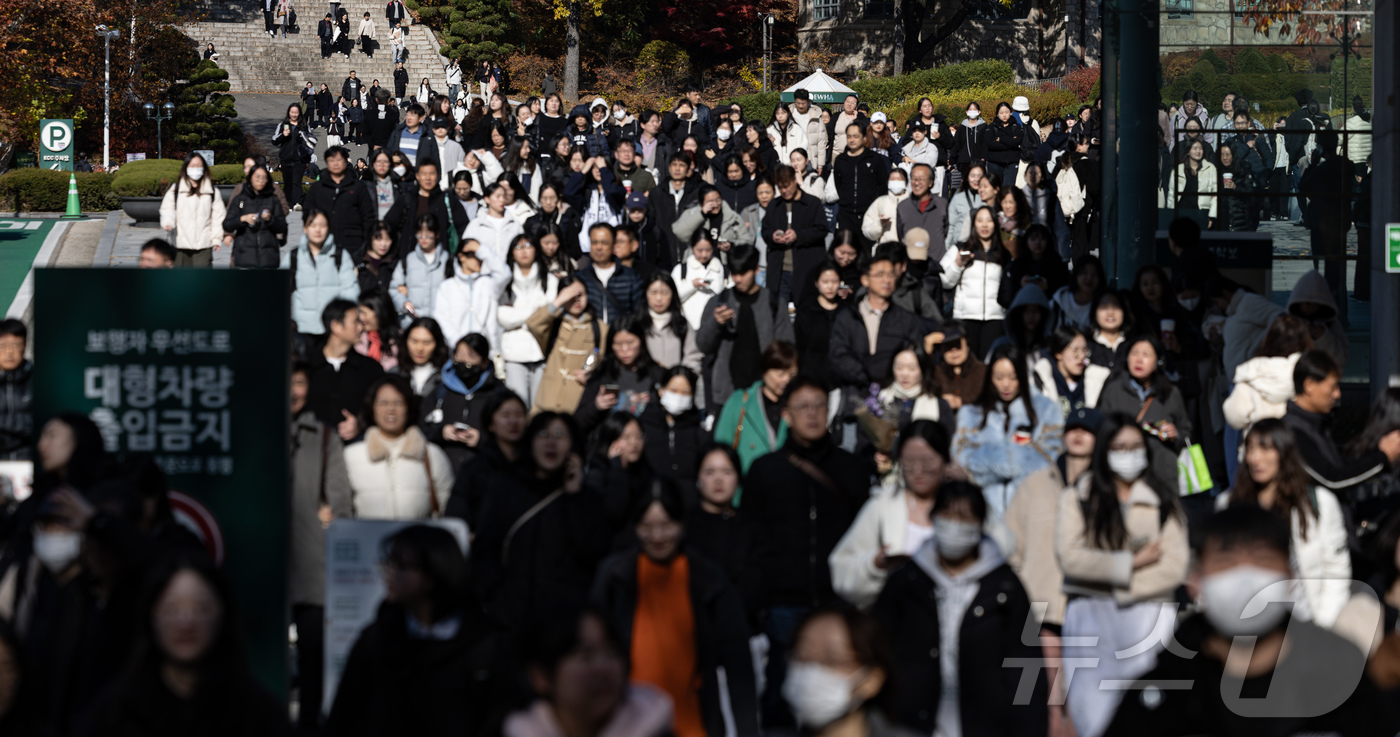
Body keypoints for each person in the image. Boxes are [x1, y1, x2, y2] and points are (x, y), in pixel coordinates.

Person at [1104, 505, 1393, 736]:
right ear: (1195, 581)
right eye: (1227, 563)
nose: (1245, 579)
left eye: (1262, 560)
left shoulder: (1339, 672)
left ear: (1290, 578)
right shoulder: (1165, 689)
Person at [744, 375, 872, 727]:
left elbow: (864, 533)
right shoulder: (764, 471)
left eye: (819, 406)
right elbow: (751, 537)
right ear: (786, 415)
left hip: (837, 601)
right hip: (782, 602)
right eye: (802, 407)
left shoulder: (851, 469)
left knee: (839, 701)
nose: (812, 414)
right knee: (781, 700)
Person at [872, 479, 1047, 736]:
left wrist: (1029, 725)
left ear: (980, 525)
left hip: (986, 722)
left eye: (965, 517)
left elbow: (1028, 663)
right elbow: (878, 644)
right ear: (933, 517)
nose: (955, 525)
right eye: (947, 515)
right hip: (912, 719)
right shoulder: (907, 580)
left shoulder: (1006, 587)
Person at [590, 479, 759, 737]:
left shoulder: (708, 580)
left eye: (667, 525)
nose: (657, 537)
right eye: (647, 527)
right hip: (628, 725)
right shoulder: (614, 578)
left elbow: (738, 663)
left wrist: (748, 730)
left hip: (693, 724)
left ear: (681, 523)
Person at [1057, 412, 1189, 737]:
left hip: (1151, 614)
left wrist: (1122, 585)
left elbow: (1174, 564)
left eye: (1135, 446)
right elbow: (1071, 558)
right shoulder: (1079, 497)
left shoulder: (1161, 500)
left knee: (1151, 713)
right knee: (1093, 715)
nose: (1128, 455)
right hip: (1091, 615)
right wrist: (1131, 563)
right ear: (1104, 450)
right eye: (1119, 447)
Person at [326, 525, 510, 737]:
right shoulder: (377, 639)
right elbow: (344, 718)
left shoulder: (486, 644)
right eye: (389, 562)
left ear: (433, 573)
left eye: (401, 565)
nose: (389, 572)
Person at [80, 556, 291, 737]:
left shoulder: (258, 715)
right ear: (151, 616)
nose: (186, 622)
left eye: (201, 608)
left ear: (223, 615)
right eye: (172, 609)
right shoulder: (115, 714)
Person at [1219, 417, 1351, 628]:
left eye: (1265, 449)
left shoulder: (1319, 503)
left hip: (1303, 624)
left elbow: (1336, 571)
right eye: (1250, 449)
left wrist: (1323, 625)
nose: (1255, 458)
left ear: (1285, 453)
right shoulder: (1229, 504)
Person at [288, 361, 351, 731]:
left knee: (313, 666)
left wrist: (335, 519)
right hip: (266, 572)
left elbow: (341, 500)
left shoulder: (325, 436)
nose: (292, 391)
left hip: (313, 572)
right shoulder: (255, 432)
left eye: (297, 382)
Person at [830, 421, 951, 609]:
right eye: (909, 462)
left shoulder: (961, 504)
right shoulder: (882, 505)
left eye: (928, 461)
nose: (918, 470)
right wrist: (874, 564)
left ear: (945, 459)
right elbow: (842, 571)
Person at [504, 606, 674, 737]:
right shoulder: (523, 730)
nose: (603, 668)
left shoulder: (655, 726)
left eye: (611, 653)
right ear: (540, 677)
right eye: (585, 656)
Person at [952, 343, 1063, 523]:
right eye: (999, 377)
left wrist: (988, 464)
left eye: (1013, 377)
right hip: (984, 513)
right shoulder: (972, 414)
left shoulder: (1046, 411)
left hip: (1030, 511)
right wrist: (1015, 458)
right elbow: (962, 458)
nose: (1006, 385)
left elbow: (1050, 457)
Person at [1284, 350, 1400, 495]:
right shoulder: (1291, 432)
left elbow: (1341, 470)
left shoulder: (1317, 427)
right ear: (1309, 385)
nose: (1337, 394)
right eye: (1333, 387)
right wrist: (1382, 457)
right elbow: (1332, 480)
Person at [696, 245, 794, 410]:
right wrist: (716, 322)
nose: (738, 279)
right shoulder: (719, 302)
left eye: (743, 273)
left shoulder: (774, 304)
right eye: (734, 273)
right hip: (727, 395)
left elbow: (787, 347)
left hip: (766, 394)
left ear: (756, 269)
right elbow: (703, 345)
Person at [343, 375, 454, 519]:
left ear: (409, 408)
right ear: (372, 408)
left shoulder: (431, 454)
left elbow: (448, 510)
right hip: (368, 540)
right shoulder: (351, 456)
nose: (391, 409)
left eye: (398, 402)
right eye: (383, 403)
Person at [1096, 336, 1192, 492]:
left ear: (1158, 362)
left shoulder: (1171, 394)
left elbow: (1186, 429)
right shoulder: (1113, 390)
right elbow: (1101, 428)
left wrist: (1176, 435)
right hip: (1124, 473)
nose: (1139, 360)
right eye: (1134, 354)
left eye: (1146, 355)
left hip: (1163, 475)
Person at [1222, 315, 1311, 478]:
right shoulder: (1308, 375)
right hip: (1299, 456)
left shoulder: (1250, 373)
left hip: (1258, 460)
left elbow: (1235, 417)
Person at [306, 299, 385, 441]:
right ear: (335, 326)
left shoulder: (371, 369)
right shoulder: (306, 367)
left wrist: (360, 424)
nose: (361, 328)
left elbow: (379, 407)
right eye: (355, 322)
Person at [940, 206, 1007, 359]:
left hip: (995, 319)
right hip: (966, 317)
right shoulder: (960, 249)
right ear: (973, 224)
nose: (984, 225)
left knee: (989, 363)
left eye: (989, 220)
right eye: (980, 220)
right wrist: (958, 264)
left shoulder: (1002, 253)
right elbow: (944, 281)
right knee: (968, 363)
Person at [284, 208, 358, 339]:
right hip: (300, 328)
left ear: (328, 228)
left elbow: (350, 290)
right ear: (305, 228)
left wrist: (342, 318)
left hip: (332, 329)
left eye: (322, 225)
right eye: (312, 225)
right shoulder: (293, 257)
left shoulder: (340, 255)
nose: (318, 230)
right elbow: (278, 291)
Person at [435, 237, 510, 350]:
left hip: (486, 352)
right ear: (461, 257)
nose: (480, 260)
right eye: (475, 255)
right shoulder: (447, 286)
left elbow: (505, 274)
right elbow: (441, 318)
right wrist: (459, 343)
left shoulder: (488, 283)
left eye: (481, 256)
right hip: (458, 352)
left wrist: (483, 250)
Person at [305, 146, 375, 260]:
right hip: (324, 241)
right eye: (331, 160)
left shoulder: (358, 187)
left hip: (353, 241)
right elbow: (308, 213)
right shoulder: (317, 188)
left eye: (339, 160)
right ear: (327, 162)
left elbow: (367, 215)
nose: (335, 164)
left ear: (346, 161)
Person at [158, 154, 226, 267]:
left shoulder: (212, 192)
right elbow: (167, 209)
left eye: (199, 166)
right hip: (180, 244)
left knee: (202, 281)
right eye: (192, 165)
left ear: (204, 168)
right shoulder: (176, 189)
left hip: (203, 245)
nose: (196, 169)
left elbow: (218, 217)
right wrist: (168, 222)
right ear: (186, 167)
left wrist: (217, 238)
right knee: (181, 280)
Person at [833, 122, 891, 247]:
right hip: (846, 215)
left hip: (868, 215)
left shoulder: (875, 159)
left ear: (864, 138)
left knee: (865, 253)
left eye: (856, 136)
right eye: (849, 136)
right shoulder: (840, 160)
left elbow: (882, 185)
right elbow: (839, 185)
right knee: (846, 250)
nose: (852, 140)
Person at [1032, 325, 1110, 415]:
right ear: (1058, 353)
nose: (1081, 356)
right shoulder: (1041, 380)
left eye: (1084, 350)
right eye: (1075, 350)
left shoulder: (1096, 380)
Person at [222, 164, 287, 269]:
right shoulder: (240, 199)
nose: (260, 180)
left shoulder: (273, 200)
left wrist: (270, 219)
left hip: (268, 258)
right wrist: (242, 219)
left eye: (264, 177)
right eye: (257, 177)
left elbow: (282, 226)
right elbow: (227, 225)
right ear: (250, 178)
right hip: (245, 256)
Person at [638, 273, 702, 373]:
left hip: (675, 385)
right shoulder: (638, 324)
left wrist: (682, 378)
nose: (658, 298)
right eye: (653, 292)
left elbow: (693, 356)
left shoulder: (681, 324)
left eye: (664, 293)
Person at [931, 321, 986, 411]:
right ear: (941, 350)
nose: (954, 350)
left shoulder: (983, 370)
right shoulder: (935, 373)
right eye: (948, 346)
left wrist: (961, 402)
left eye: (957, 344)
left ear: (967, 345)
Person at [0, 321, 31, 461]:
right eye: (2, 346)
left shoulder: (36, 379)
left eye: (15, 345)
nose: (9, 352)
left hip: (29, 459)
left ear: (24, 346)